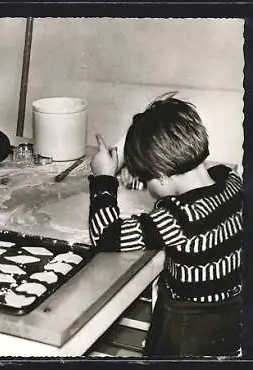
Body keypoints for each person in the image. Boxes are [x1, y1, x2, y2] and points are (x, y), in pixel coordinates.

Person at [88, 93, 242, 357]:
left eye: (146, 180)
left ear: (160, 178)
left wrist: (104, 178)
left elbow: (105, 234)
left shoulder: (179, 218)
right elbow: (203, 178)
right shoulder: (231, 182)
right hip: (229, 317)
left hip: (185, 327)